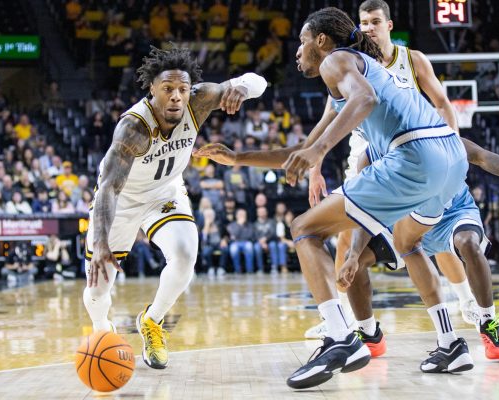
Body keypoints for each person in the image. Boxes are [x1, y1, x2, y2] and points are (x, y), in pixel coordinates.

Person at [197, 7, 471, 388]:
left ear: (321, 40)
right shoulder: (353, 71)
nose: (297, 51)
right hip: (451, 160)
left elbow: (366, 101)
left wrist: (320, 150)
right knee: (409, 245)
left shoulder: (336, 61)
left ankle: (341, 337)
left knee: (304, 229)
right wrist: (239, 158)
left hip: (413, 157)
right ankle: (451, 342)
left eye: (301, 41)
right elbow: (304, 146)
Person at [84, 46, 267, 370]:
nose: (176, 97)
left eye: (182, 89)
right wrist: (99, 243)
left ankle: (152, 321)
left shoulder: (200, 99)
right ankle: (103, 333)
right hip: (121, 199)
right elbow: (109, 188)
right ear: (152, 89)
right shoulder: (134, 128)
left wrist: (241, 87)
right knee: (97, 291)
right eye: (167, 89)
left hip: (164, 192)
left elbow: (259, 82)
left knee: (184, 257)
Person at [306, 0, 471, 340]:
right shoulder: (347, 64)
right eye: (363, 21)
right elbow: (326, 122)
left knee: (434, 239)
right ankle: (349, 320)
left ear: (389, 25)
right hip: (371, 155)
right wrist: (314, 166)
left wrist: (452, 147)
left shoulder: (411, 60)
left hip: (415, 153)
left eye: (375, 21)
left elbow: (442, 103)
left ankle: (468, 302)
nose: (368, 27)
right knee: (348, 238)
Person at [336, 146, 499, 360]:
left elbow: (481, 156)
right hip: (406, 224)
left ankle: (488, 322)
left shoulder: (436, 135)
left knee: (468, 243)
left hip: (452, 215)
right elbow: (366, 210)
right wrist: (354, 253)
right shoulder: (369, 156)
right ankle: (369, 333)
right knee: (354, 260)